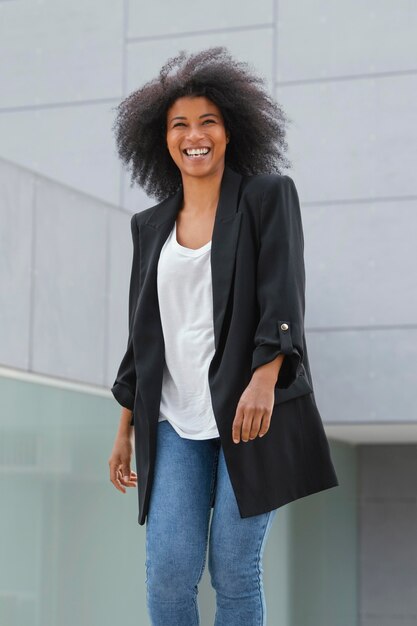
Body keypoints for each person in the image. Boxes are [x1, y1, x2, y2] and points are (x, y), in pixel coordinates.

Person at [108, 46, 339, 626]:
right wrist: (124, 428)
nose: (194, 135)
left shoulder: (267, 197)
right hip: (174, 421)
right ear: (162, 139)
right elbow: (143, 336)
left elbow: (284, 295)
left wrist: (265, 379)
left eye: (207, 121)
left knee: (234, 572)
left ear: (230, 130)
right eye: (179, 124)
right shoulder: (150, 227)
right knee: (167, 570)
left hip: (248, 415)